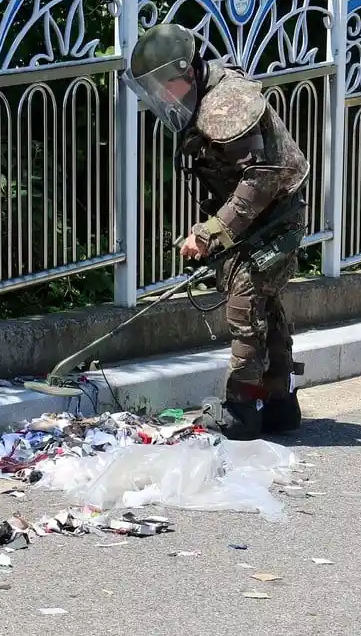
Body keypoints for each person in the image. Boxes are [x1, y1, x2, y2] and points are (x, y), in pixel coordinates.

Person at [124, 23, 310, 441]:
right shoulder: (203, 95)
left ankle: (242, 409)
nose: (162, 96)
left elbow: (260, 179)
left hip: (274, 215)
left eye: (163, 85)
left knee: (245, 307)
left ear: (186, 72)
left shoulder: (225, 103)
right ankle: (280, 402)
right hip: (263, 214)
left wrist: (210, 232)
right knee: (264, 304)